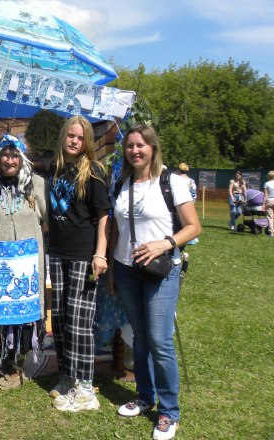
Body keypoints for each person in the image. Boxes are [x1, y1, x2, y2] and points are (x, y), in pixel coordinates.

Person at [109, 124, 200, 440]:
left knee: (160, 341)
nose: (135, 150)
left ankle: (169, 411)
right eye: (130, 145)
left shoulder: (171, 181)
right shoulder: (122, 182)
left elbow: (193, 226)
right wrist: (111, 269)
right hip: (126, 269)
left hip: (161, 271)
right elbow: (116, 231)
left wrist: (165, 243)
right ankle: (145, 397)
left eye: (141, 145)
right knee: (141, 338)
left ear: (152, 148)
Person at [47, 115, 110, 412]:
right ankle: (67, 375)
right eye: (70, 135)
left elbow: (103, 217)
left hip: (84, 254)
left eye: (80, 137)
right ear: (63, 137)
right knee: (59, 318)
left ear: (86, 142)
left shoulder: (94, 171)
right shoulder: (55, 167)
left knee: (79, 321)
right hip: (56, 253)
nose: (74, 140)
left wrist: (100, 253)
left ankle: (86, 388)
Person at [0, 134, 48, 389]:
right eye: (4, 155)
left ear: (21, 158)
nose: (9, 160)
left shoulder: (36, 184)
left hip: (27, 260)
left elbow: (44, 217)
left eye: (14, 155)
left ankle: (17, 363)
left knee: (25, 315)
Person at [177, 163, 199, 244]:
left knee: (179, 221)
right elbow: (194, 194)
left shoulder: (176, 179)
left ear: (179, 170)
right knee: (190, 221)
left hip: (178, 203)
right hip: (190, 203)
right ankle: (193, 238)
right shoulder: (191, 181)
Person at [264, 171, 274, 236]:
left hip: (269, 201)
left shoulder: (266, 183)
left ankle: (271, 233)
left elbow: (266, 195)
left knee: (270, 218)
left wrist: (263, 204)